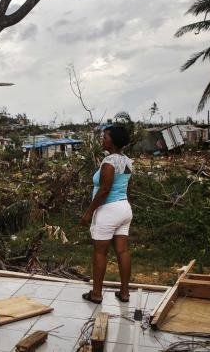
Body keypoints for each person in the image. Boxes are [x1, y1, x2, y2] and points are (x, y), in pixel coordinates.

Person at [79, 125, 133, 303]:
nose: (103, 140)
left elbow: (104, 190)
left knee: (100, 253)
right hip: (124, 209)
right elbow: (124, 187)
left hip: (108, 211)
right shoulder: (127, 161)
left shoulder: (109, 161)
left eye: (105, 137)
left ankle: (96, 294)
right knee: (122, 251)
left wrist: (89, 212)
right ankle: (124, 293)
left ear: (113, 141)